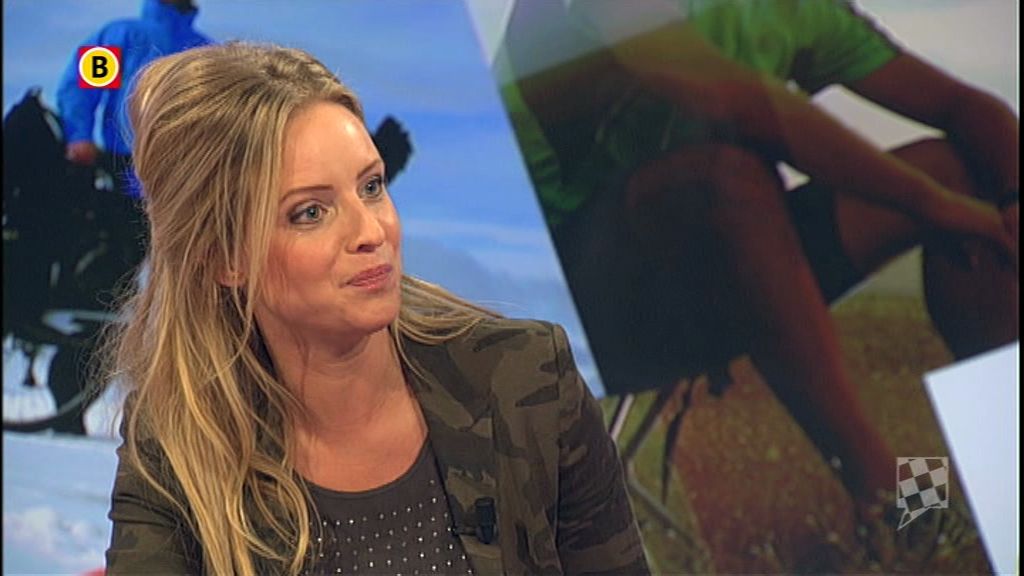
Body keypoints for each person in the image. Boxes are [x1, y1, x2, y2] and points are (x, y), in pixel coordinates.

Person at [101, 42, 649, 576]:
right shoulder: (174, 444)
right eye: (310, 212)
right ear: (225, 258)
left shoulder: (529, 383)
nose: (371, 231)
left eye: (371, 186)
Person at [496, 0, 1017, 562]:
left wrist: (1011, 201)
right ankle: (898, 509)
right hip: (557, 304)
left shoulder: (796, 11)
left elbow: (962, 106)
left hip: (711, 272)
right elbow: (738, 101)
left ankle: (1003, 487)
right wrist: (937, 207)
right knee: (726, 181)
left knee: (960, 169)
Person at [57, 0, 211, 183]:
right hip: (123, 164)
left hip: (189, 171)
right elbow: (81, 86)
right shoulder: (121, 34)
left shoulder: (207, 52)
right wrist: (79, 135)